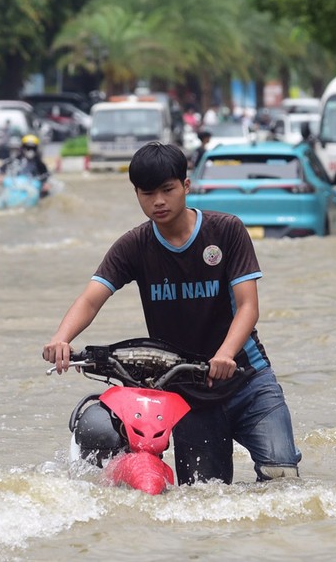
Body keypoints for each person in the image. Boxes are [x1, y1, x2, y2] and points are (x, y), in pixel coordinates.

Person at [42, 141, 301, 485]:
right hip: (186, 394)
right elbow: (91, 299)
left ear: (186, 186)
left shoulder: (226, 231)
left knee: (281, 475)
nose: (159, 201)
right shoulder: (134, 246)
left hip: (247, 379)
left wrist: (224, 355)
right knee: (203, 497)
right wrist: (62, 338)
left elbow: (248, 307)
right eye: (148, 193)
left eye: (168, 190)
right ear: (136, 194)